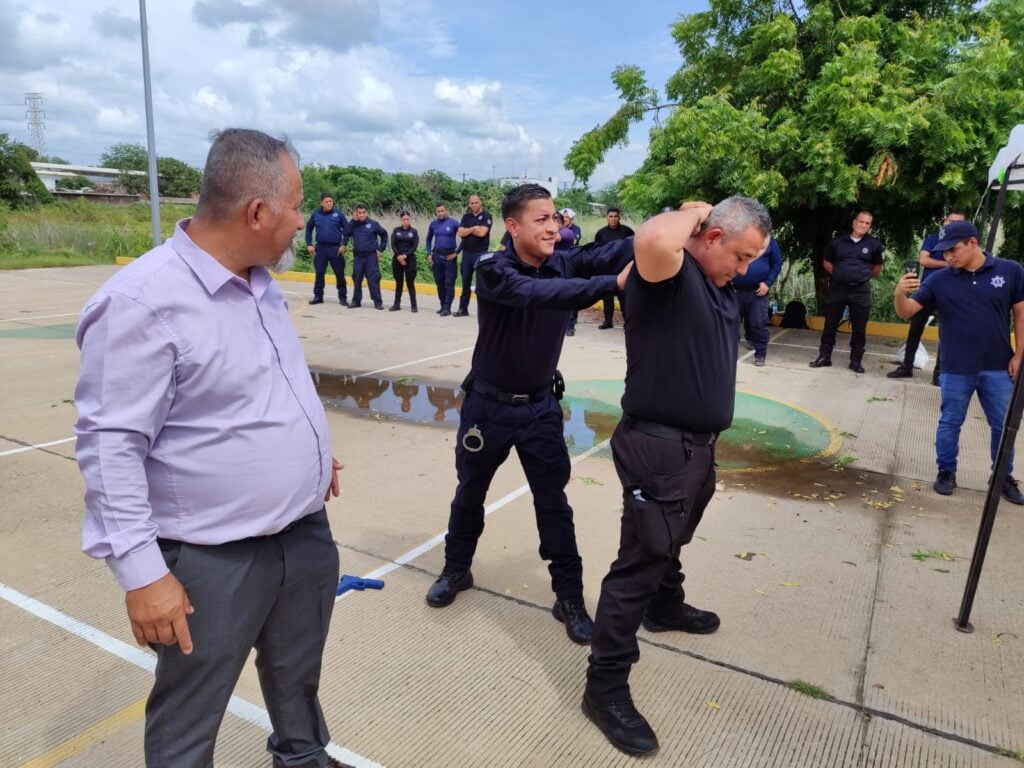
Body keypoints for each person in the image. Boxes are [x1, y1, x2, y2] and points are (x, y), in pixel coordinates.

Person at [73, 128, 345, 768]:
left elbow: (257, 389)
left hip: (302, 532)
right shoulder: (142, 302)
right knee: (192, 709)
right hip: (211, 559)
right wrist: (144, 576)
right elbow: (110, 448)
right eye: (295, 205)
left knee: (297, 671)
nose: (302, 221)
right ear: (257, 212)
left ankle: (302, 756)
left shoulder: (259, 281)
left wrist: (308, 455)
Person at [583, 198, 771, 756]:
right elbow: (651, 243)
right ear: (709, 235)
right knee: (638, 563)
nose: (743, 269)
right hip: (660, 446)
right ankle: (605, 687)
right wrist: (692, 208)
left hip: (695, 449)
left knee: (669, 542)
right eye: (740, 255)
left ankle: (665, 607)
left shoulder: (715, 282)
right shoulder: (668, 274)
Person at [424, 183, 634, 646]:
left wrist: (676, 229)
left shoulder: (563, 259)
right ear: (513, 226)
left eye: (556, 218)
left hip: (539, 409)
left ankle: (570, 597)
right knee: (469, 494)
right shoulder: (494, 270)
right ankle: (456, 570)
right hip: (488, 408)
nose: (553, 226)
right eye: (541, 219)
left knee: (553, 504)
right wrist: (610, 286)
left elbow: (616, 250)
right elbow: (542, 294)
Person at [893, 219, 1024, 505]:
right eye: (944, 251)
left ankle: (1002, 476)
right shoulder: (939, 280)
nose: (948, 257)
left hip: (998, 365)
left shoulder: (1010, 271)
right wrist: (899, 293)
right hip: (956, 367)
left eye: (953, 250)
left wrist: (1019, 354)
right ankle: (946, 471)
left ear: (973, 243)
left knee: (1004, 425)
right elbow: (907, 312)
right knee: (950, 422)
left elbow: (1021, 314)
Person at [888, 210, 965, 381]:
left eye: (958, 223)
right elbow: (923, 260)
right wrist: (949, 264)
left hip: (950, 293)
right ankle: (906, 366)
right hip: (927, 290)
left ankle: (938, 374)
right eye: (951, 221)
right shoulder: (933, 238)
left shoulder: (963, 244)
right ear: (944, 222)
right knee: (915, 329)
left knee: (945, 334)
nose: (953, 226)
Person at [809, 211, 884, 373]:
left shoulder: (874, 245)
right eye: (861, 221)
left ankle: (856, 361)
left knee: (859, 327)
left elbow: (878, 268)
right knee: (830, 324)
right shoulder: (838, 242)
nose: (863, 225)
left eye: (867, 223)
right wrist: (838, 274)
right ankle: (824, 357)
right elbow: (827, 262)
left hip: (860, 291)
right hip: (837, 289)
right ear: (854, 222)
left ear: (870, 226)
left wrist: (863, 277)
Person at [732, 235, 782, 366]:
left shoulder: (770, 242)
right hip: (734, 290)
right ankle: (728, 355)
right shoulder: (737, 235)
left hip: (758, 291)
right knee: (730, 323)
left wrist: (767, 283)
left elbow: (777, 264)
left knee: (758, 323)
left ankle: (760, 354)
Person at [593, 207, 634, 329]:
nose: (613, 219)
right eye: (611, 216)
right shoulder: (601, 233)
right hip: (607, 269)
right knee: (607, 296)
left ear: (619, 217)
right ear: (607, 218)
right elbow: (597, 251)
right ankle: (608, 321)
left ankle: (628, 322)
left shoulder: (627, 232)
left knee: (624, 298)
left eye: (615, 216)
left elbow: (634, 247)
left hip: (623, 268)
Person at [304, 192, 349, 306]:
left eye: (331, 201)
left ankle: (343, 298)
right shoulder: (316, 214)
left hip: (335, 249)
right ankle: (318, 296)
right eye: (327, 202)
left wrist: (344, 244)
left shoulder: (338, 214)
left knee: (339, 274)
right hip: (320, 249)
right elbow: (309, 229)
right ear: (321, 203)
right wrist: (309, 244)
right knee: (319, 273)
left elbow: (347, 230)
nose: (329, 203)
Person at [341, 204, 388, 309]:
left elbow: (384, 234)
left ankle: (378, 302)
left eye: (363, 212)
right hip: (358, 257)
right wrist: (352, 220)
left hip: (371, 256)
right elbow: (345, 233)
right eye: (359, 213)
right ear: (356, 213)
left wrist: (381, 249)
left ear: (366, 213)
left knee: (373, 279)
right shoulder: (353, 224)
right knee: (357, 278)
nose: (361, 215)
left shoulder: (373, 224)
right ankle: (356, 301)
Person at [453, 194, 493, 317]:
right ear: (469, 204)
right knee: (465, 282)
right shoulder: (466, 217)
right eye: (472, 203)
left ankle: (484, 311)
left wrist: (468, 230)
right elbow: (460, 233)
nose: (474, 205)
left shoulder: (487, 216)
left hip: (480, 253)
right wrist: (474, 228)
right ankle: (463, 309)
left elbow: (482, 233)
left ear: (480, 202)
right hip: (467, 254)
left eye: (476, 202)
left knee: (481, 283)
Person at [426, 203, 460, 316]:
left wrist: (457, 252)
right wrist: (428, 253)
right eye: (438, 211)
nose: (440, 213)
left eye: (442, 211)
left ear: (446, 210)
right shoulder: (433, 224)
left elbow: (465, 237)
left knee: (449, 282)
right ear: (436, 212)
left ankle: (447, 307)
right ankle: (442, 305)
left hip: (450, 257)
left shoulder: (454, 223)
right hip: (437, 257)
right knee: (439, 282)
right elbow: (428, 239)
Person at [555, 213, 581, 336]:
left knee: (567, 295)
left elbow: (553, 238)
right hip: (555, 267)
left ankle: (570, 326)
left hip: (565, 268)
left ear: (558, 222)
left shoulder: (566, 232)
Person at [390, 210, 419, 312]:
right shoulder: (396, 230)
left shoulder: (413, 232)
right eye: (404, 219)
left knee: (410, 282)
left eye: (407, 219)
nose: (406, 221)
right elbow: (393, 245)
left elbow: (414, 247)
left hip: (409, 259)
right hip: (397, 258)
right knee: (399, 282)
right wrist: (399, 256)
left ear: (410, 219)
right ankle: (396, 304)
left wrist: (405, 256)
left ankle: (414, 305)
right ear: (401, 220)